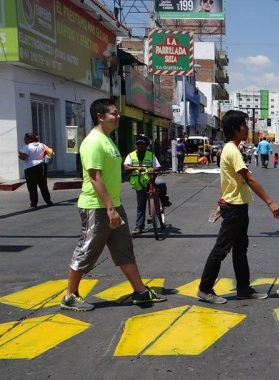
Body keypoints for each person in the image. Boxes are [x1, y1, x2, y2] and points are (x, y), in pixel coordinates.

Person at [61, 98, 167, 311]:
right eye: (113, 113)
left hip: (112, 205)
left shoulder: (108, 140)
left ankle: (141, 292)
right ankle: (70, 295)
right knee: (87, 248)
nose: (118, 116)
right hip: (97, 206)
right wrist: (109, 208)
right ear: (100, 116)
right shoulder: (93, 142)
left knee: (123, 248)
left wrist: (114, 207)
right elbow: (95, 177)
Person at [197, 110, 279, 304]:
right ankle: (204, 288)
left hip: (237, 205)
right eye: (244, 125)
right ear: (235, 129)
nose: (247, 128)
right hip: (235, 208)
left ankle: (243, 288)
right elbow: (249, 179)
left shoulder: (231, 149)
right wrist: (270, 202)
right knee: (221, 249)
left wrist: (221, 199)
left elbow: (226, 179)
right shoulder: (232, 150)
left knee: (240, 249)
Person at [123, 135, 172, 235]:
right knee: (141, 205)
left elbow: (158, 167)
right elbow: (126, 168)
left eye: (142, 144)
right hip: (139, 182)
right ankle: (139, 226)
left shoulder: (151, 155)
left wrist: (153, 169)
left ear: (146, 146)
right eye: (138, 144)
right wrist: (136, 168)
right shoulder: (131, 155)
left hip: (151, 179)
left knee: (161, 183)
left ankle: (164, 200)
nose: (140, 146)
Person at [17, 132, 53, 208]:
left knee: (32, 186)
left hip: (30, 167)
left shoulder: (27, 147)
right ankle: (48, 201)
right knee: (43, 184)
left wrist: (19, 154)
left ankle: (34, 203)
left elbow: (24, 157)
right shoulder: (42, 145)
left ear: (30, 139)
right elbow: (49, 152)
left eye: (25, 138)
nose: (24, 140)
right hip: (42, 166)